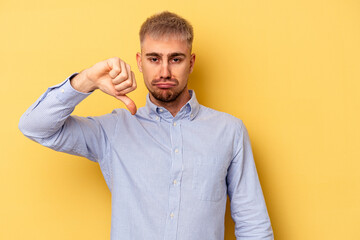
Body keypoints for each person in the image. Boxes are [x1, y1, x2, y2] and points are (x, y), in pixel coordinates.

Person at [19, 11, 274, 240]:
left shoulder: (229, 131)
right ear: (140, 62)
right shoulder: (114, 129)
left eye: (176, 59)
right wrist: (87, 80)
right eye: (154, 59)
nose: (164, 72)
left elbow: (253, 225)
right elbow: (35, 126)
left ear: (192, 62)